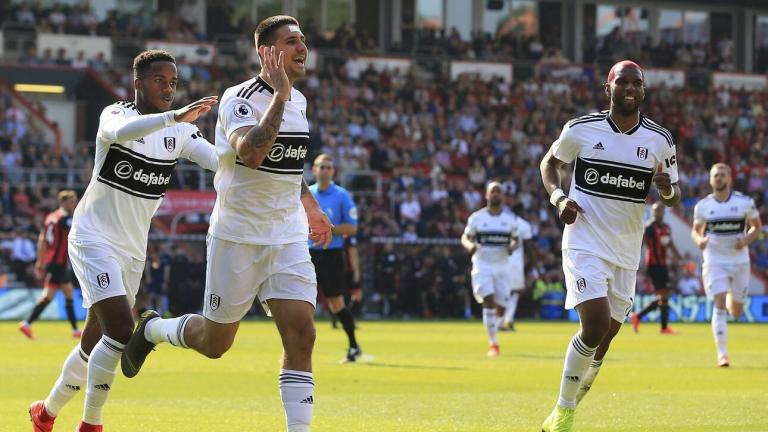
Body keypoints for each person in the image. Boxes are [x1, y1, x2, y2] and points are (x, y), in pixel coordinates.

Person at [120, 16, 332, 432]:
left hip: (286, 236)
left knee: (302, 333)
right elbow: (252, 153)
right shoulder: (240, 98)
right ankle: (153, 330)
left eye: (303, 40)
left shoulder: (300, 101)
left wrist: (309, 204)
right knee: (215, 344)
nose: (302, 47)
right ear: (266, 52)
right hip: (238, 236)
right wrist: (281, 96)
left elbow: (288, 165)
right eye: (291, 42)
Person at [28, 49, 219, 432]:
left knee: (93, 341)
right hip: (93, 238)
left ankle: (45, 413)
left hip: (133, 250)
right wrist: (173, 116)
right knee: (120, 330)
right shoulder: (116, 115)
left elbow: (218, 162)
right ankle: (91, 425)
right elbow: (121, 134)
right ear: (138, 82)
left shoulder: (181, 132)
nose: (168, 89)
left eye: (173, 83)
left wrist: (252, 163)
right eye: (159, 81)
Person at [539, 60, 680, 431]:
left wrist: (665, 189)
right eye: (623, 82)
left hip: (626, 250)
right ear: (609, 88)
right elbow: (549, 164)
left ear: (644, 91)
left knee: (607, 337)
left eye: (637, 83)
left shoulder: (659, 140)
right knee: (596, 323)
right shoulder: (581, 129)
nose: (630, 88)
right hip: (585, 241)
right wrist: (558, 199)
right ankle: (565, 411)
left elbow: (673, 196)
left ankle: (566, 407)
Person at [691, 163, 762, 367]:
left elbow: (756, 227)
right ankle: (722, 354)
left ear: (730, 179)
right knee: (719, 304)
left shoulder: (744, 202)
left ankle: (733, 295)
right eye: (716, 175)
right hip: (714, 260)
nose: (719, 178)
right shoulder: (703, 206)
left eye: (723, 175)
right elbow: (696, 231)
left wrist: (745, 241)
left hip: (740, 260)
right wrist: (699, 240)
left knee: (737, 312)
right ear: (711, 180)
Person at [308, 153, 361, 362]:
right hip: (308, 254)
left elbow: (352, 228)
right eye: (321, 167)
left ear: (333, 172)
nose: (325, 170)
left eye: (328, 167)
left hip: (332, 255)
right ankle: (297, 351)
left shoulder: (342, 196)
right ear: (313, 170)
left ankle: (353, 345)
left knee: (336, 303)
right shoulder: (307, 194)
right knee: (301, 303)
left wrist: (328, 229)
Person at [460, 181, 519, 357]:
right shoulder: (477, 218)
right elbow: (465, 237)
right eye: (493, 191)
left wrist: (512, 247)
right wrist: (469, 246)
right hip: (482, 265)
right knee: (489, 300)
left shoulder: (509, 220)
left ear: (503, 196)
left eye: (499, 191)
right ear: (486, 195)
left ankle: (495, 325)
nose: (495, 194)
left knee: (501, 305)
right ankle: (493, 344)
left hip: (502, 266)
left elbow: (516, 240)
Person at [19, 190, 80, 340]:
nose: (75, 204)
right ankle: (75, 331)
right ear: (63, 202)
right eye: (72, 201)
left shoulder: (50, 217)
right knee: (68, 292)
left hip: (51, 261)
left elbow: (42, 240)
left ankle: (26, 324)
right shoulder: (66, 219)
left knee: (50, 295)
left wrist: (40, 261)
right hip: (59, 263)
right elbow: (79, 232)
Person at [631, 202, 681, 334]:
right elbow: (640, 243)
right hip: (653, 265)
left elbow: (670, 244)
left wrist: (680, 259)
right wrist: (635, 260)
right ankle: (663, 327)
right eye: (654, 211)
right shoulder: (649, 227)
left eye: (658, 210)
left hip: (662, 264)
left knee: (664, 296)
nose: (656, 213)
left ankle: (639, 317)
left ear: (663, 212)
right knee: (663, 294)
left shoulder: (666, 228)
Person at [501, 204, 533, 331]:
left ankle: (503, 320)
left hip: (502, 259)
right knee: (514, 292)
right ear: (521, 211)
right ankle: (507, 319)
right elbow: (529, 246)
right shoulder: (524, 225)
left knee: (504, 291)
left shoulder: (504, 222)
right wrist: (534, 264)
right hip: (516, 262)